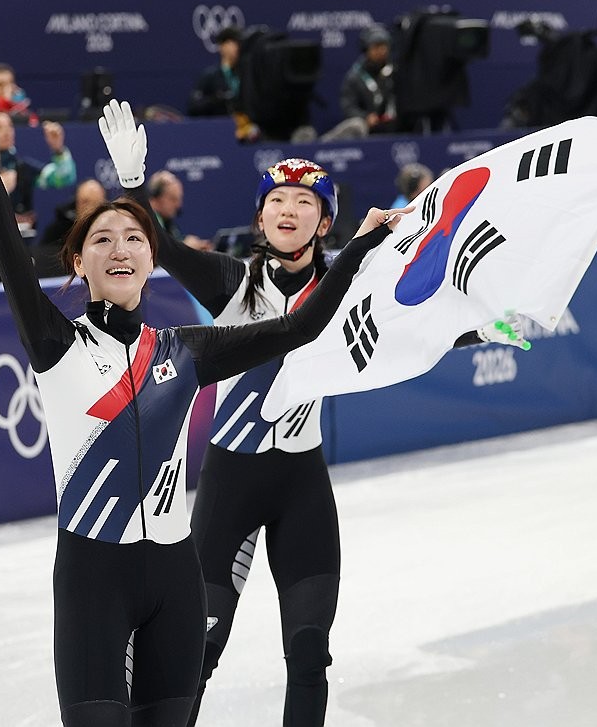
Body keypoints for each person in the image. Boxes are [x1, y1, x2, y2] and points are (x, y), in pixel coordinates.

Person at [0, 40, 402, 726]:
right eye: (103, 239)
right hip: (94, 580)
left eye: (134, 238)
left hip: (175, 580)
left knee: (294, 656)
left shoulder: (184, 350)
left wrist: (362, 247)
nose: (122, 247)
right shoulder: (56, 343)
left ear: (149, 258)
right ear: (79, 261)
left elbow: (301, 327)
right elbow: (9, 249)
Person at [104, 124, 529, 725]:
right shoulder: (233, 284)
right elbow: (159, 245)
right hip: (231, 483)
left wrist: (484, 327)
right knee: (198, 652)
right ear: (260, 218)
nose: (288, 209)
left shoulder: (345, 293)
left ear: (324, 222)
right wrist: (132, 184)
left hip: (301, 484)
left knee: (308, 653)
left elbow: (411, 333)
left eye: (304, 201)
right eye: (276, 199)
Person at [0, 111, 77, 227]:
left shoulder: (22, 167)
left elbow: (63, 178)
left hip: (20, 232)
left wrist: (58, 150)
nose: (7, 131)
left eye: (10, 126)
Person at [321, 25, 397, 141]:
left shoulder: (395, 72)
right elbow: (348, 107)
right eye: (376, 47)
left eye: (384, 46)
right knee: (356, 125)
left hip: (393, 125)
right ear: (366, 49)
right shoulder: (355, 76)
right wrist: (366, 117)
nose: (381, 51)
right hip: (367, 127)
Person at [147, 170, 212, 250]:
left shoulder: (168, 223)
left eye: (179, 199)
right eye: (173, 199)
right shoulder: (148, 223)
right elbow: (160, 252)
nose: (178, 205)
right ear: (155, 198)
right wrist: (185, 246)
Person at [188, 26, 242, 117]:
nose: (238, 47)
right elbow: (193, 107)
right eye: (232, 42)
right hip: (220, 122)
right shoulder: (210, 76)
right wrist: (216, 100)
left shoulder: (246, 74)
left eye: (239, 43)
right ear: (222, 46)